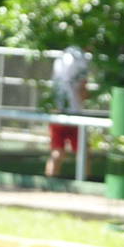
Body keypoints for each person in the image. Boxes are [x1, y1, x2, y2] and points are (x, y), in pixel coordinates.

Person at [45, 47, 90, 179]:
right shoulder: (81, 58)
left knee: (57, 153)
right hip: (74, 114)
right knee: (84, 154)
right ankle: (86, 182)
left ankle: (49, 181)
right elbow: (83, 91)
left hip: (57, 113)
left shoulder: (63, 56)